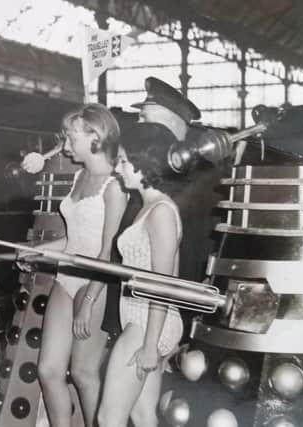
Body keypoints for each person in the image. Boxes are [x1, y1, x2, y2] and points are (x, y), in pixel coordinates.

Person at [34, 103, 126, 427]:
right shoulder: (78, 176)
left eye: (71, 135)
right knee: (49, 371)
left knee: (85, 374)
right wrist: (35, 252)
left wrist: (87, 303)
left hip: (96, 282)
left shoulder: (114, 187)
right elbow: (73, 241)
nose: (64, 142)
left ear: (95, 137)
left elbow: (108, 253)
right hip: (66, 277)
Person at [98, 123, 184, 427]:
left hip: (148, 321)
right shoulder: (149, 207)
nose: (118, 168)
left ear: (145, 161)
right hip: (146, 320)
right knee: (143, 415)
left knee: (109, 418)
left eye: (123, 160)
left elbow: (164, 284)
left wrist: (150, 345)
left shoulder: (160, 212)